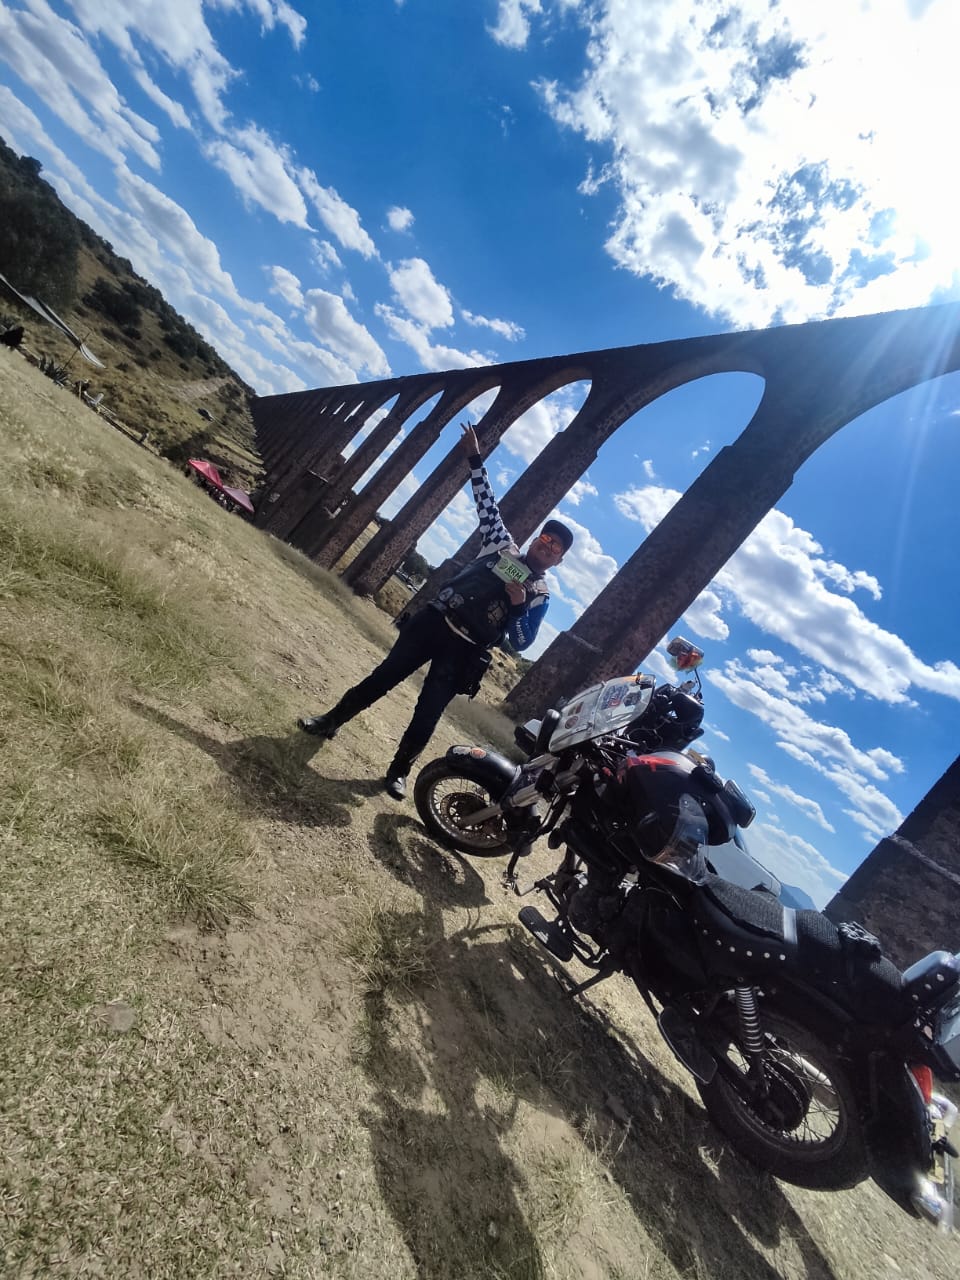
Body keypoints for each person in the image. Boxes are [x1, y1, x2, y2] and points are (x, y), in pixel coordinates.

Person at [298, 422, 574, 799]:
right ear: (536, 539)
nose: (548, 546)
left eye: (556, 547)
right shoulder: (501, 544)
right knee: (382, 677)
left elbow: (523, 641)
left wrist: (517, 606)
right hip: (434, 622)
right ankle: (330, 720)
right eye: (546, 538)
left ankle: (398, 771)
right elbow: (486, 503)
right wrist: (474, 456)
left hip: (464, 651)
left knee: (428, 712)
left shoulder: (540, 595)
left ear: (559, 560)